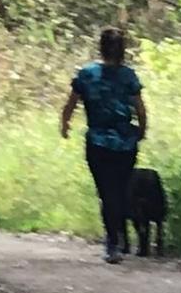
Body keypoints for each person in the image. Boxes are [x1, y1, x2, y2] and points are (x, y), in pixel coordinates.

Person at [60, 27, 148, 264]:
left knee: (106, 192)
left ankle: (112, 242)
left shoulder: (87, 74)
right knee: (120, 190)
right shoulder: (129, 76)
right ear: (123, 50)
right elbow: (140, 108)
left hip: (98, 142)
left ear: (101, 47)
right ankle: (119, 237)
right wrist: (141, 131)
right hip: (125, 143)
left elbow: (71, 104)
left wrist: (65, 125)